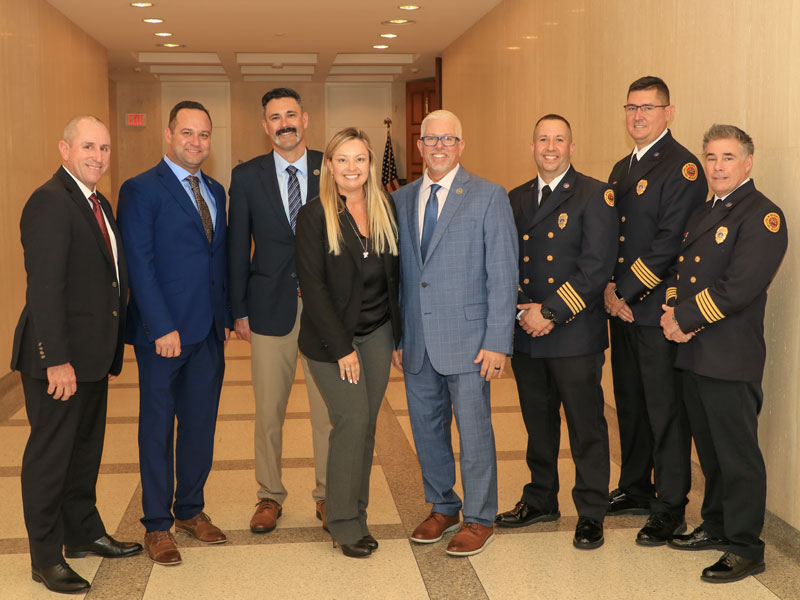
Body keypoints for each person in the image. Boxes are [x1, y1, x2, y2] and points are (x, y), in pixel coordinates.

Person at [11, 115, 141, 594]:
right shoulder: (50, 201)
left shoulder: (96, 202)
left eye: (104, 148)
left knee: (84, 452)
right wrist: (56, 360)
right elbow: (44, 289)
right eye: (88, 147)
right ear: (64, 149)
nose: (98, 156)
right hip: (60, 360)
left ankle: (82, 532)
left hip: (91, 356)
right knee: (51, 459)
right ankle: (45, 557)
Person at [661, 124, 787, 583]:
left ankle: (746, 546)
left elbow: (739, 287)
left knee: (737, 457)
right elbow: (680, 271)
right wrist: (671, 309)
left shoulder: (762, 215)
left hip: (730, 357)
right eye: (711, 157)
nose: (717, 167)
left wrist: (683, 318)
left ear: (747, 162)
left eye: (728, 157)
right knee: (711, 453)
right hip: (695, 354)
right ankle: (715, 525)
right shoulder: (704, 211)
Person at [392, 109, 518, 557]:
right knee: (426, 430)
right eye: (431, 139)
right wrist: (399, 338)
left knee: (474, 431)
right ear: (420, 146)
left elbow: (503, 274)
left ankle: (480, 517)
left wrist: (497, 342)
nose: (440, 146)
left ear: (461, 146)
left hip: (470, 343)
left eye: (449, 139)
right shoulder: (400, 200)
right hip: (417, 341)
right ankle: (443, 506)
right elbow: (398, 277)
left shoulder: (488, 196)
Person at [117, 101, 232, 565]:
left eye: (203, 134)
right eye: (187, 133)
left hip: (208, 332)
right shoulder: (141, 189)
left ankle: (189, 510)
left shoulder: (216, 190)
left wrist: (226, 316)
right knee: (158, 429)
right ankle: (156, 525)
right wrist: (161, 326)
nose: (196, 142)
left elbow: (217, 260)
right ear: (168, 135)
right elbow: (139, 263)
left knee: (200, 425)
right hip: (163, 335)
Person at [495, 115, 618, 549]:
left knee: (586, 426)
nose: (551, 147)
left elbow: (596, 267)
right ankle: (541, 498)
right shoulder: (514, 198)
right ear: (532, 147)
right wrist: (521, 309)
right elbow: (503, 260)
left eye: (559, 139)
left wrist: (549, 311)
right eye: (543, 139)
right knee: (537, 423)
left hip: (573, 332)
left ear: (571, 147)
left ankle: (591, 511)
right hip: (527, 330)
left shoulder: (594, 194)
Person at [604, 76, 708, 545]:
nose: (638, 115)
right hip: (622, 309)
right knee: (630, 403)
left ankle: (670, 506)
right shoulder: (621, 167)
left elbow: (670, 244)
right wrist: (608, 290)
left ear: (669, 112)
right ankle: (635, 487)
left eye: (648, 107)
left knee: (665, 412)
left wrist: (623, 292)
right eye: (632, 107)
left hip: (656, 312)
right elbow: (611, 236)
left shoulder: (682, 168)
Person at [228, 87, 331, 533]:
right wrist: (238, 310)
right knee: (269, 411)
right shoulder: (246, 176)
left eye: (291, 114)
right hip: (269, 309)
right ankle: (269, 495)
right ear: (264, 125)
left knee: (328, 411)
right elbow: (237, 247)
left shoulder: (333, 166)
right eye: (275, 117)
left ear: (305, 119)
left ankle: (329, 495)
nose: (284, 123)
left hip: (326, 311)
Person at [295, 128, 401, 558]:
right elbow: (313, 288)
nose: (351, 168)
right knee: (351, 420)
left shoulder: (385, 207)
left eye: (359, 159)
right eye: (342, 159)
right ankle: (340, 521)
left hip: (377, 333)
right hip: (329, 341)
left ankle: (358, 513)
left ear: (370, 165)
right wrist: (342, 349)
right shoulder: (313, 215)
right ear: (329, 166)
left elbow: (395, 279)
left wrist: (400, 338)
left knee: (367, 425)